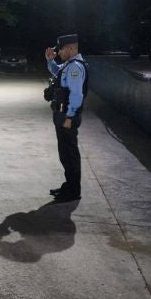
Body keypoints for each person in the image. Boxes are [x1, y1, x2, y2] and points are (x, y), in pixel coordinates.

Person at [44, 34, 88, 203]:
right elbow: (57, 71)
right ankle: (69, 186)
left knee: (70, 154)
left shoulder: (75, 67)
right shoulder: (69, 65)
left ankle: (73, 191)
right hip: (62, 114)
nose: (59, 53)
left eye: (60, 50)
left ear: (70, 48)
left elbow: (77, 95)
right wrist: (50, 61)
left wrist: (69, 116)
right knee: (65, 153)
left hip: (68, 116)